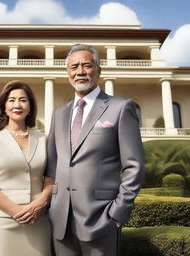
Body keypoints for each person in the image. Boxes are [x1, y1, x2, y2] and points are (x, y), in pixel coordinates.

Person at [45, 44, 145, 256]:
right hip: (60, 219)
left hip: (102, 218)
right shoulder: (59, 113)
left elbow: (134, 166)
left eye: (86, 65)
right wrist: (50, 206)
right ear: (67, 73)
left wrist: (119, 212)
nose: (80, 71)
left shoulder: (121, 107)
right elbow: (52, 165)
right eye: (74, 67)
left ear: (98, 70)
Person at [0, 80, 53, 256]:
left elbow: (51, 180)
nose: (17, 105)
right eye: (11, 100)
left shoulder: (45, 139)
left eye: (23, 100)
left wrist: (40, 203)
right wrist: (18, 212)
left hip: (38, 219)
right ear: (4, 107)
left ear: (30, 107)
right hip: (3, 222)